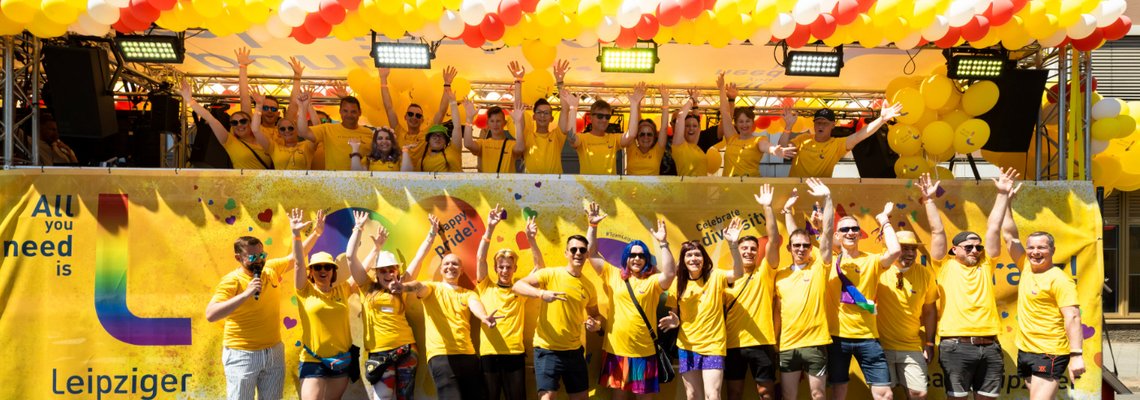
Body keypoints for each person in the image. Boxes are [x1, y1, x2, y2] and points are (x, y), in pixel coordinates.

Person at [205, 210, 323, 400]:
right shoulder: (232, 281)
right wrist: (246, 294)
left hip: (273, 352)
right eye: (252, 257)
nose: (259, 260)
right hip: (242, 355)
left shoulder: (270, 269)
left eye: (262, 255)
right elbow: (211, 314)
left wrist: (316, 233)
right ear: (238, 258)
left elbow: (296, 257)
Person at [936, 167, 1018, 400]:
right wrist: (930, 200)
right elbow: (936, 231)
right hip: (956, 345)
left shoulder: (985, 264)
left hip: (990, 346)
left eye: (978, 247)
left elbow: (993, 228)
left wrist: (1002, 194)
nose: (975, 250)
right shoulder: (944, 265)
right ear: (955, 249)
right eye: (969, 246)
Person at [581, 203, 676, 398]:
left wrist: (664, 243)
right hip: (616, 349)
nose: (637, 258)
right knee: (619, 398)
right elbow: (591, 253)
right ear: (626, 258)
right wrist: (592, 226)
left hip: (644, 351)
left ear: (646, 259)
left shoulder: (652, 281)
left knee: (645, 398)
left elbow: (670, 273)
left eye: (641, 255)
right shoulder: (613, 274)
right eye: (632, 255)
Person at [1002, 179, 1086, 399]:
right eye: (1031, 247)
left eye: (1041, 247)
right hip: (1026, 350)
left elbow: (1073, 317)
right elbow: (1009, 236)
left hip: (1050, 352)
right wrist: (1006, 201)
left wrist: (1076, 355)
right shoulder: (1026, 266)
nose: (1035, 252)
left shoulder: (1059, 280)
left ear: (1052, 250)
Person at [346, 211, 438, 400]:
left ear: (397, 271)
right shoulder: (366, 287)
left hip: (406, 350)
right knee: (383, 398)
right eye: (383, 271)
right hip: (379, 354)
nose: (388, 274)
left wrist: (432, 234)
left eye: (391, 270)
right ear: (377, 274)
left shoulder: (402, 285)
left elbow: (418, 258)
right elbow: (350, 257)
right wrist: (358, 228)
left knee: (406, 397)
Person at [512, 217, 603, 400]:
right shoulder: (551, 274)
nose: (578, 253)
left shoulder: (589, 286)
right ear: (566, 253)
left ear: (587, 254)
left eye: (582, 250)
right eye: (573, 249)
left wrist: (597, 325)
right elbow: (517, 286)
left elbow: (595, 315)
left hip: (574, 352)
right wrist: (541, 294)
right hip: (547, 350)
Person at [399, 234, 500, 398]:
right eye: (446, 264)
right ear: (441, 269)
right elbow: (418, 286)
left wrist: (483, 317)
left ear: (461, 270)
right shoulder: (433, 288)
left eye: (455, 264)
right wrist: (404, 287)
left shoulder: (468, 293)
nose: (450, 267)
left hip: (468, 355)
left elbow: (475, 305)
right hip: (441, 356)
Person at [824, 198, 901, 400]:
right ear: (837, 235)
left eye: (854, 229)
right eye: (845, 229)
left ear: (860, 234)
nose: (850, 232)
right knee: (838, 392)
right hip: (837, 337)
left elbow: (895, 251)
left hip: (868, 337)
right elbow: (821, 242)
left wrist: (884, 220)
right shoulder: (827, 263)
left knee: (885, 394)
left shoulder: (872, 260)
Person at [877, 174, 943, 400]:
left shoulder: (924, 273)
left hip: (912, 346)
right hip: (880, 346)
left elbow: (930, 310)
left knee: (918, 393)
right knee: (884, 396)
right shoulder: (879, 268)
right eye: (904, 248)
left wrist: (929, 342)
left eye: (913, 249)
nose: (909, 253)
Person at [668, 217, 746, 400]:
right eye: (689, 255)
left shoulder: (716, 276)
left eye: (698, 255)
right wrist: (674, 321)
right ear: (683, 261)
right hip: (687, 346)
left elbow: (738, 273)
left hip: (713, 345)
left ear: (704, 259)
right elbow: (674, 315)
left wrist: (733, 245)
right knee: (692, 395)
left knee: (713, 395)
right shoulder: (677, 284)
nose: (693, 258)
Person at [775, 178, 836, 400]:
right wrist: (787, 212)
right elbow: (777, 312)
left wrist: (828, 198)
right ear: (789, 248)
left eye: (806, 246)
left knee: (818, 395)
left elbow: (827, 234)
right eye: (797, 246)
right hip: (788, 344)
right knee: (788, 396)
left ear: (811, 248)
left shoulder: (819, 266)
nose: (801, 249)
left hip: (815, 344)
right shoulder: (780, 275)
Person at [476, 205, 545, 400]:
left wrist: (531, 239)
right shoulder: (485, 286)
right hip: (489, 354)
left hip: (514, 354)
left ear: (515, 268)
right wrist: (490, 228)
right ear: (495, 268)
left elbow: (540, 269)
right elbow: (480, 258)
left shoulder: (520, 288)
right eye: (501, 267)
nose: (505, 271)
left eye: (508, 267)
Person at [724, 184, 783, 400]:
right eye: (744, 248)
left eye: (753, 249)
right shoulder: (725, 277)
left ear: (758, 253)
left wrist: (767, 207)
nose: (749, 252)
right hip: (732, 343)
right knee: (734, 393)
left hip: (763, 343)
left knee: (766, 393)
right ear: (736, 251)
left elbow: (774, 240)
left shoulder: (765, 272)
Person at [288, 209, 354, 400]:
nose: (322, 270)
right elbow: (298, 263)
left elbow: (361, 269)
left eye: (327, 267)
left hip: (340, 361)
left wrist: (374, 247)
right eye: (317, 267)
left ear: (333, 271)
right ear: (311, 271)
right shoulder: (304, 290)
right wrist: (296, 234)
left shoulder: (343, 289)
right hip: (313, 360)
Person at [782, 102, 903, 178]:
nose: (820, 126)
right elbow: (783, 148)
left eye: (825, 123)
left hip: (818, 195)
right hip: (795, 194)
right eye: (818, 122)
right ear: (814, 124)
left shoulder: (836, 144)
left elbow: (860, 135)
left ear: (833, 125)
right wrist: (788, 127)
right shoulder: (803, 139)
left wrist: (882, 120)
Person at [180, 78, 273, 169]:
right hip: (243, 179)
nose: (239, 125)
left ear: (250, 123)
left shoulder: (263, 137)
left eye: (243, 121)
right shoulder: (230, 141)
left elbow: (245, 101)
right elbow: (211, 119)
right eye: (234, 123)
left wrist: (259, 106)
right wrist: (190, 100)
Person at [717, 73, 797, 177]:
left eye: (747, 121)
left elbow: (766, 146)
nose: (744, 124)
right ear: (736, 124)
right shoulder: (732, 138)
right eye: (741, 121)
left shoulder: (758, 140)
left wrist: (774, 150)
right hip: (728, 186)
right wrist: (721, 88)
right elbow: (725, 112)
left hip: (750, 186)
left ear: (752, 122)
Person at [514, 60, 573, 174]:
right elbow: (518, 110)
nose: (542, 115)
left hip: (554, 183)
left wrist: (560, 82)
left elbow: (565, 110)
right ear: (534, 116)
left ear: (551, 118)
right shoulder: (527, 135)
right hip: (531, 183)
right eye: (539, 112)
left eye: (546, 113)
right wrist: (518, 81)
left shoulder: (557, 136)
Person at [379, 66, 454, 146]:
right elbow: (389, 108)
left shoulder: (427, 135)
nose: (414, 117)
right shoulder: (399, 133)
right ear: (405, 117)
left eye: (418, 116)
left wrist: (447, 84)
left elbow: (441, 112)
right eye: (410, 114)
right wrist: (383, 79)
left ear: (422, 120)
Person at [297, 92, 373, 171]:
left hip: (362, 178)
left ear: (360, 112)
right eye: (345, 111)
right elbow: (303, 132)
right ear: (340, 111)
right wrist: (302, 107)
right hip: (334, 179)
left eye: (353, 112)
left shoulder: (369, 133)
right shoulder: (327, 129)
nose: (349, 115)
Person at [402, 89, 465, 173]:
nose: (437, 138)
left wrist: (453, 103)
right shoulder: (422, 162)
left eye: (441, 135)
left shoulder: (453, 150)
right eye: (434, 136)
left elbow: (457, 127)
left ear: (446, 140)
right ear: (428, 140)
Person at [620, 83, 670, 176]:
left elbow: (664, 128)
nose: (645, 137)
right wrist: (636, 103)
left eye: (649, 134)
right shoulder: (631, 147)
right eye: (642, 134)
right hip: (631, 186)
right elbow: (633, 127)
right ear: (637, 136)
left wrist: (665, 101)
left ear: (654, 136)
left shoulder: (657, 151)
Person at [566, 89, 620, 175]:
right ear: (590, 118)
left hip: (610, 184)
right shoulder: (583, 138)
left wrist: (635, 105)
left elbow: (631, 135)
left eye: (607, 117)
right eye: (600, 116)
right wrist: (573, 108)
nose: (604, 120)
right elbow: (571, 137)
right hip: (587, 184)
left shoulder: (614, 138)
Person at [465, 104, 522, 174]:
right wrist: (469, 118)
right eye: (492, 121)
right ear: (488, 123)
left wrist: (518, 123)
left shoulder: (511, 144)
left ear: (504, 123)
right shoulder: (482, 143)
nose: (495, 124)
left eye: (498, 121)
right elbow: (468, 144)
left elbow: (520, 148)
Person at [670, 95, 707, 176]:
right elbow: (680, 117)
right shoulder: (679, 145)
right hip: (686, 184)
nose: (691, 128)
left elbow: (697, 121)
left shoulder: (696, 147)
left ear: (698, 129)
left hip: (703, 184)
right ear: (682, 128)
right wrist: (691, 99)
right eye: (687, 126)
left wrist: (695, 104)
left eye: (694, 126)